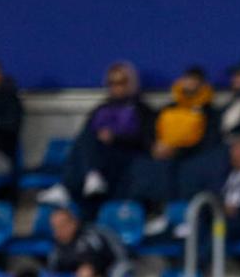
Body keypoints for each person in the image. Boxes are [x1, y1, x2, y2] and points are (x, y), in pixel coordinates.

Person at [39, 62, 154, 208]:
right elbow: (85, 137)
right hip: (99, 155)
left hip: (125, 156)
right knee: (87, 135)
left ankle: (71, 185)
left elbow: (144, 141)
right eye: (111, 83)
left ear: (132, 83)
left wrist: (115, 138)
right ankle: (90, 176)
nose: (116, 87)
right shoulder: (101, 109)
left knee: (88, 142)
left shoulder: (142, 110)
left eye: (121, 82)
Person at [47, 204, 121, 275]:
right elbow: (53, 274)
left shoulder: (95, 236)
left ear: (74, 223)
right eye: (54, 228)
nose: (57, 232)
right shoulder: (57, 248)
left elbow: (120, 259)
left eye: (61, 226)